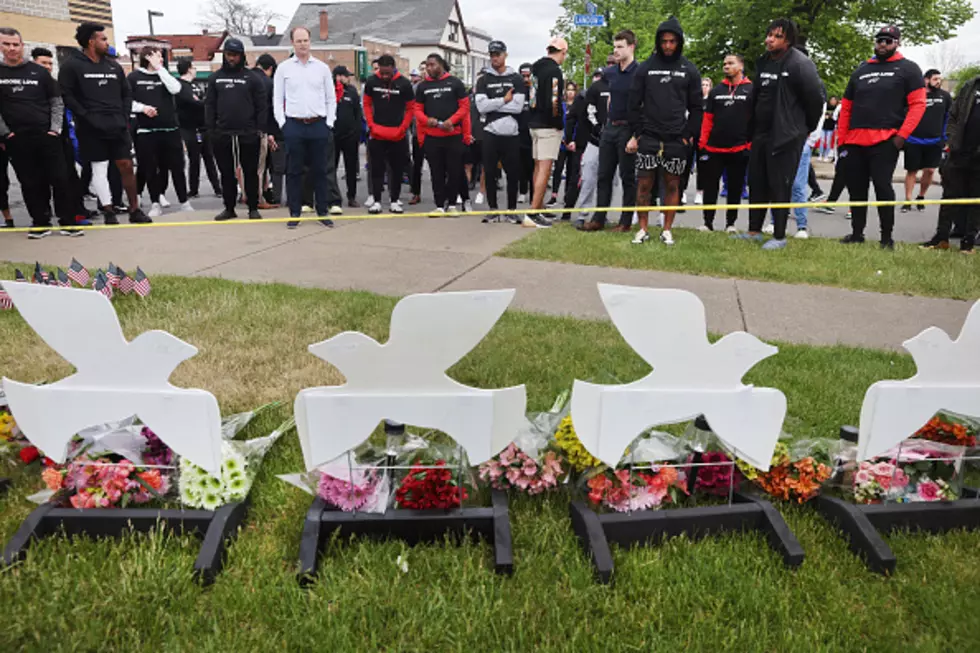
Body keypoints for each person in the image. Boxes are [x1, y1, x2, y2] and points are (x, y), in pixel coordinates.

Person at [739, 18, 824, 250]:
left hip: (786, 137)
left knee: (780, 185)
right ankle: (754, 230)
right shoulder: (764, 61)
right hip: (760, 133)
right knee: (757, 182)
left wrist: (803, 129)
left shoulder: (800, 64)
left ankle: (779, 236)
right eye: (769, 35)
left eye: (776, 36)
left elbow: (815, 100)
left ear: (788, 40)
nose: (769, 40)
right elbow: (757, 95)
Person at [838, 25, 925, 249]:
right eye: (880, 40)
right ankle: (857, 233)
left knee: (882, 187)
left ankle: (887, 238)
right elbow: (846, 107)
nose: (883, 44)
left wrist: (901, 136)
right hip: (855, 140)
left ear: (897, 43)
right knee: (856, 189)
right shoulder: (862, 70)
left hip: (886, 139)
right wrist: (842, 140)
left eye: (888, 40)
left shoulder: (908, 69)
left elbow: (918, 105)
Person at [59, 22, 151, 224]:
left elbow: (126, 92)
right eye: (103, 39)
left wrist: (124, 115)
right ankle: (108, 210)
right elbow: (67, 95)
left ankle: (134, 209)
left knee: (126, 165)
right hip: (90, 127)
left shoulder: (113, 66)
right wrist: (85, 115)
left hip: (117, 125)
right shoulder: (72, 66)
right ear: (91, 42)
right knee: (99, 168)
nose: (107, 42)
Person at [626, 17, 702, 246]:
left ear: (679, 42)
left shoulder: (689, 69)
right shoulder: (646, 68)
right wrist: (638, 132)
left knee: (672, 184)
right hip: (649, 137)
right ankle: (642, 229)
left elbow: (697, 107)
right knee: (644, 185)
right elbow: (633, 103)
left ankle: (667, 229)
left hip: (676, 139)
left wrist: (688, 134)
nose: (668, 46)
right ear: (658, 42)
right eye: (664, 41)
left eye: (673, 41)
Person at [0, 27, 82, 238]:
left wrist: (55, 130)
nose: (11, 48)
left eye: (15, 44)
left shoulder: (38, 72)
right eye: (6, 44)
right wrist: (6, 134)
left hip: (48, 136)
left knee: (61, 179)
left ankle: (68, 222)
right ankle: (40, 222)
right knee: (30, 182)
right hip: (17, 139)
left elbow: (56, 102)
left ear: (22, 45)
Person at [273, 27, 338, 228]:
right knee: (293, 171)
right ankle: (295, 211)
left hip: (318, 124)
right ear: (292, 43)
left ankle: (322, 210)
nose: (303, 44)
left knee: (320, 170)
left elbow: (331, 98)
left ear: (310, 42)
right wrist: (283, 124)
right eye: (299, 41)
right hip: (294, 125)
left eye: (306, 40)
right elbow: (277, 99)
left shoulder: (322, 68)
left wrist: (329, 123)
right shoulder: (284, 68)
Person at [580, 32, 639, 234]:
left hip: (628, 129)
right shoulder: (610, 73)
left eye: (620, 46)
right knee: (603, 174)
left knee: (627, 177)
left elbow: (644, 105)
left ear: (632, 47)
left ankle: (625, 221)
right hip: (610, 127)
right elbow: (609, 99)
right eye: (615, 47)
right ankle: (599, 218)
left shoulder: (639, 72)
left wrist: (636, 136)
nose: (616, 51)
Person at [31, 45, 93, 228]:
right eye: (43, 63)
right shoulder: (31, 86)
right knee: (39, 181)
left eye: (50, 63)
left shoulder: (56, 84)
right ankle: (43, 217)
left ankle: (74, 214)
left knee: (68, 179)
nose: (48, 66)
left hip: (62, 137)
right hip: (36, 138)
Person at [206, 37, 267, 221]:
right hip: (223, 134)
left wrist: (259, 129)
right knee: (226, 173)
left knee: (250, 172)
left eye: (235, 55)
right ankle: (229, 208)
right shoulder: (215, 78)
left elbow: (262, 105)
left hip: (248, 133)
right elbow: (209, 105)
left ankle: (253, 208)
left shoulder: (253, 78)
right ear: (224, 55)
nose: (232, 58)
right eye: (229, 54)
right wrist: (211, 130)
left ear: (242, 56)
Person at [128, 45, 192, 218]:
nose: (161, 59)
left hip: (170, 129)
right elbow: (126, 102)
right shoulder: (134, 77)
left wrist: (160, 69)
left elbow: (176, 89)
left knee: (177, 167)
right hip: (146, 131)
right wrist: (143, 108)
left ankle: (184, 201)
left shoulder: (164, 74)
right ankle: (155, 202)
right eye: (157, 56)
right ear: (147, 57)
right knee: (150, 169)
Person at [920, 71, 980, 253]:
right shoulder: (971, 86)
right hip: (959, 152)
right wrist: (952, 141)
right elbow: (953, 116)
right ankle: (941, 238)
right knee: (949, 197)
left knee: (975, 200)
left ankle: (968, 242)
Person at [698, 54, 752, 233]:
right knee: (710, 186)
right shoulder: (716, 91)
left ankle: (731, 223)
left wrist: (750, 144)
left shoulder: (751, 90)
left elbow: (756, 120)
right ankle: (707, 223)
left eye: (730, 63)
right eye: (724, 64)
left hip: (740, 147)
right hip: (714, 148)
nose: (726, 66)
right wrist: (703, 143)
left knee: (735, 188)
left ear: (741, 65)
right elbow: (708, 118)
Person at [476, 40, 526, 223]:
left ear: (505, 54)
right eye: (492, 55)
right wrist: (504, 100)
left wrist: (494, 104)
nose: (494, 58)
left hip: (511, 133)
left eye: (498, 54)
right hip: (490, 132)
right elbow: (481, 107)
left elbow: (518, 107)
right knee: (489, 172)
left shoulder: (516, 79)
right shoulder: (483, 79)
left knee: (513, 173)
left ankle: (512, 210)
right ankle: (493, 209)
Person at [414, 53, 471, 214]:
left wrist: (451, 121)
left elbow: (465, 107)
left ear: (441, 64)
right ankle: (439, 205)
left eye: (432, 65)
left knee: (454, 171)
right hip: (432, 137)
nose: (429, 68)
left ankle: (452, 204)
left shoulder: (455, 83)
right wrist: (427, 120)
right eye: (427, 66)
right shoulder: (423, 86)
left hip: (453, 136)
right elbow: (417, 110)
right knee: (436, 172)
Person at [363, 54, 414, 214]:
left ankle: (394, 200)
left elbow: (411, 108)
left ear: (393, 68)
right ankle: (376, 200)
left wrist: (403, 128)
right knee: (376, 168)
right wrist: (371, 125)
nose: (384, 76)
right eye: (382, 73)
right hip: (377, 132)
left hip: (397, 134)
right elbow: (366, 104)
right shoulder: (372, 81)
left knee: (397, 169)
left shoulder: (404, 83)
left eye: (387, 73)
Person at [526, 37, 568, 228]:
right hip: (547, 125)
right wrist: (559, 123)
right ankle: (533, 212)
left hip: (533, 121)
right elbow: (554, 101)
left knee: (537, 166)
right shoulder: (554, 71)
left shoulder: (535, 67)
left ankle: (539, 206)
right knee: (545, 167)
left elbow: (532, 96)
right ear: (562, 52)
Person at [786, 46, 826, 240]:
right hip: (781, 140)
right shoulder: (783, 80)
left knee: (798, 185)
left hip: (802, 141)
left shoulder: (815, 84)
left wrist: (810, 140)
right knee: (778, 184)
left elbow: (818, 113)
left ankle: (801, 226)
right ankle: (774, 221)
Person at [903, 68, 951, 213]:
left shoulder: (945, 96)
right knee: (912, 170)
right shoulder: (915, 95)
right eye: (935, 79)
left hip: (935, 140)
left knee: (930, 170)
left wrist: (946, 138)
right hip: (913, 140)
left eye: (939, 79)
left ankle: (921, 196)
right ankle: (907, 200)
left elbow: (949, 118)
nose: (938, 82)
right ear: (926, 80)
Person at [175, 58, 220, 199]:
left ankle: (217, 188)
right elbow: (195, 103)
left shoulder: (195, 85)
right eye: (193, 67)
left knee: (209, 158)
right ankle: (193, 189)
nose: (195, 70)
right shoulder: (181, 87)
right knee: (194, 159)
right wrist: (205, 102)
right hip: (190, 129)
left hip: (203, 127)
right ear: (188, 69)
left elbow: (201, 101)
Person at [573, 62, 612, 223]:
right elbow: (588, 112)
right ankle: (583, 213)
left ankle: (602, 214)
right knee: (588, 178)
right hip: (595, 141)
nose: (610, 67)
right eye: (608, 64)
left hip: (614, 141)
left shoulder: (624, 85)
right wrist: (596, 128)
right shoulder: (596, 88)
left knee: (610, 180)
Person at [329, 65, 362, 208]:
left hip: (350, 136)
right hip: (333, 136)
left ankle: (352, 196)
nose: (348, 78)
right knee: (331, 168)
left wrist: (357, 132)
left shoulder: (352, 91)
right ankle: (332, 197)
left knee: (351, 168)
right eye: (345, 75)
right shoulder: (329, 91)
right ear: (338, 76)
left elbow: (357, 113)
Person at [252, 54, 280, 210]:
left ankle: (246, 194)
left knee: (246, 166)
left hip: (243, 128)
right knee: (260, 167)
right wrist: (270, 132)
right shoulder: (268, 83)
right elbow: (270, 110)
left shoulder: (246, 77)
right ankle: (259, 198)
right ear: (270, 68)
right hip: (261, 129)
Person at [547, 81, 580, 211]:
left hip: (573, 143)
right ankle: (554, 195)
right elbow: (556, 122)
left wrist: (575, 140)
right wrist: (560, 138)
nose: (570, 92)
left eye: (573, 90)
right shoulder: (561, 106)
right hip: (561, 142)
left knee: (572, 170)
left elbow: (579, 124)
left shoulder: (578, 106)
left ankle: (568, 196)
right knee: (558, 168)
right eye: (568, 90)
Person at [517, 62, 534, 203]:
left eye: (528, 76)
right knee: (521, 166)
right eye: (523, 76)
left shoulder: (536, 91)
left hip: (534, 133)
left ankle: (534, 194)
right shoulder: (518, 91)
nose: (526, 79)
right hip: (520, 133)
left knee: (534, 166)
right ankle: (522, 191)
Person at [408, 68, 424, 205]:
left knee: (439, 166)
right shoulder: (414, 89)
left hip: (431, 132)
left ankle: (416, 193)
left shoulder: (428, 87)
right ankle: (415, 192)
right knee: (417, 165)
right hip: (417, 131)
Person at [819, 96, 838, 161]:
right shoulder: (826, 106)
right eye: (832, 100)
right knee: (822, 141)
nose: (833, 101)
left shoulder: (837, 108)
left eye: (834, 100)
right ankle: (820, 155)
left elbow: (836, 117)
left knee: (828, 142)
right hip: (823, 126)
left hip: (831, 127)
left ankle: (826, 156)